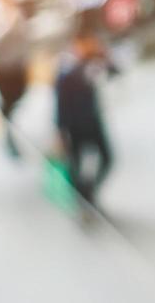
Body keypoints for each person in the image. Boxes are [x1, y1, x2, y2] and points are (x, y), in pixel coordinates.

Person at [55, 20, 119, 212]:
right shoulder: (67, 67)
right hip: (74, 125)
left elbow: (115, 73)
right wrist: (60, 131)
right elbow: (60, 103)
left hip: (93, 121)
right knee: (75, 165)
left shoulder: (95, 62)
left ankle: (89, 192)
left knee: (107, 159)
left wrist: (105, 58)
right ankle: (82, 199)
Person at [0, 0, 34, 158]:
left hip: (14, 67)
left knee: (18, 97)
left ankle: (8, 119)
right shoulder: (15, 21)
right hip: (5, 68)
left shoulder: (21, 21)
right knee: (10, 100)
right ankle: (6, 124)